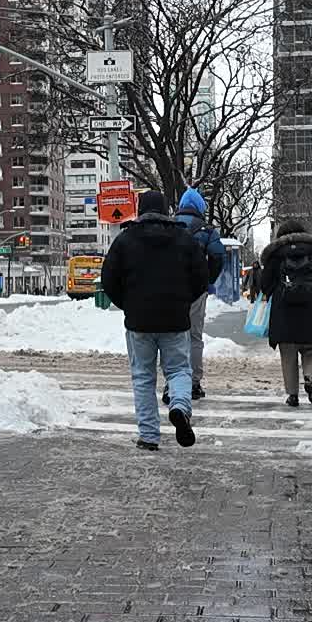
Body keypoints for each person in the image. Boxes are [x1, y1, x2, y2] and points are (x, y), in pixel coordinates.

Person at [100, 190, 208, 451]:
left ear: (139, 209)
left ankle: (148, 436)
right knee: (179, 370)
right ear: (167, 210)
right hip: (175, 319)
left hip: (139, 320)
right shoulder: (184, 239)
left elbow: (109, 279)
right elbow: (201, 278)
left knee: (143, 377)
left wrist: (128, 304)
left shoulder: (125, 240)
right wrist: (183, 302)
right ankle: (180, 406)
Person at [253, 221, 312, 408]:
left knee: (288, 354)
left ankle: (292, 395)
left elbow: (265, 285)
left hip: (284, 312)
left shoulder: (275, 256)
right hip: (311, 309)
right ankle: (309, 379)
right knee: (310, 351)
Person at [171, 188, 227, 402]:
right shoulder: (206, 230)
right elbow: (218, 256)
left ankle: (172, 382)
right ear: (200, 208)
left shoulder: (170, 226)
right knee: (194, 337)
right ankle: (194, 383)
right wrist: (207, 280)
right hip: (196, 291)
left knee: (172, 337)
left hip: (170, 291)